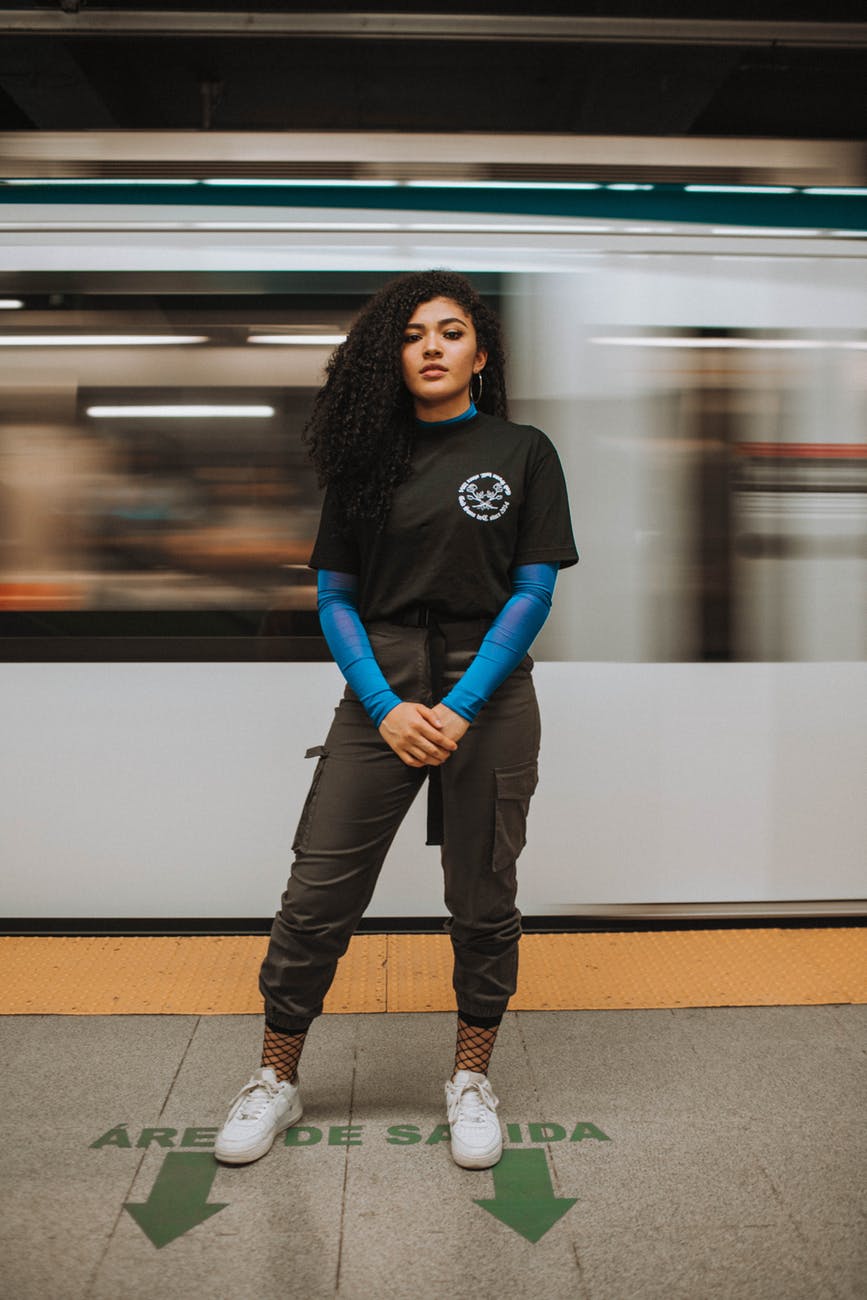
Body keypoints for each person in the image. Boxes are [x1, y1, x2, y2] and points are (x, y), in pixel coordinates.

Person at [215, 270, 578, 1170]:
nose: (430, 345)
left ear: (480, 356)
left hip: (485, 690)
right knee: (316, 898)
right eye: (413, 333)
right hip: (378, 680)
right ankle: (275, 1077)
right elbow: (333, 598)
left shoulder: (523, 450)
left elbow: (532, 592)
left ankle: (468, 1079)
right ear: (392, 353)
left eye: (451, 332)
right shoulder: (363, 457)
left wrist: (456, 707)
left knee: (482, 900)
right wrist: (383, 706)